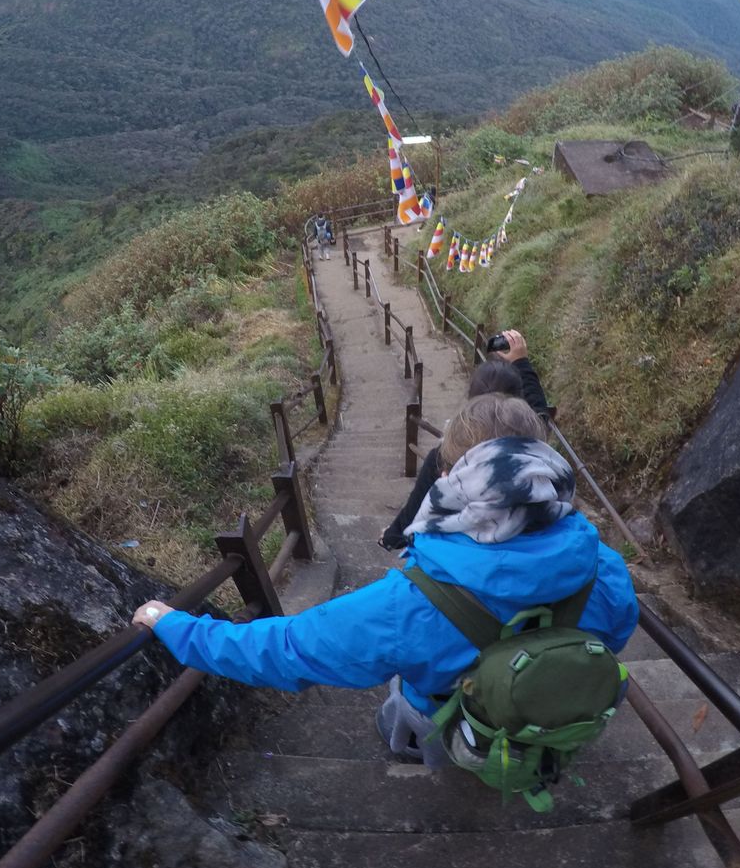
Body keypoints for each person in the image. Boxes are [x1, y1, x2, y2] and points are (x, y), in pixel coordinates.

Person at [131, 393, 638, 769]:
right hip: (554, 711)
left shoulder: (411, 604)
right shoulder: (601, 562)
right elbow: (612, 634)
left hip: (457, 722)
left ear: (452, 476)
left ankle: (424, 753)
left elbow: (289, 649)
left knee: (402, 704)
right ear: (543, 468)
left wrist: (177, 627)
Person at [379, 328, 547, 552]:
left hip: (465, 555)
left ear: (471, 399)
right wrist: (521, 363)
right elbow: (538, 412)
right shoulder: (534, 449)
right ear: (519, 400)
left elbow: (415, 508)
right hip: (531, 550)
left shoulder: (446, 456)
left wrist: (391, 537)